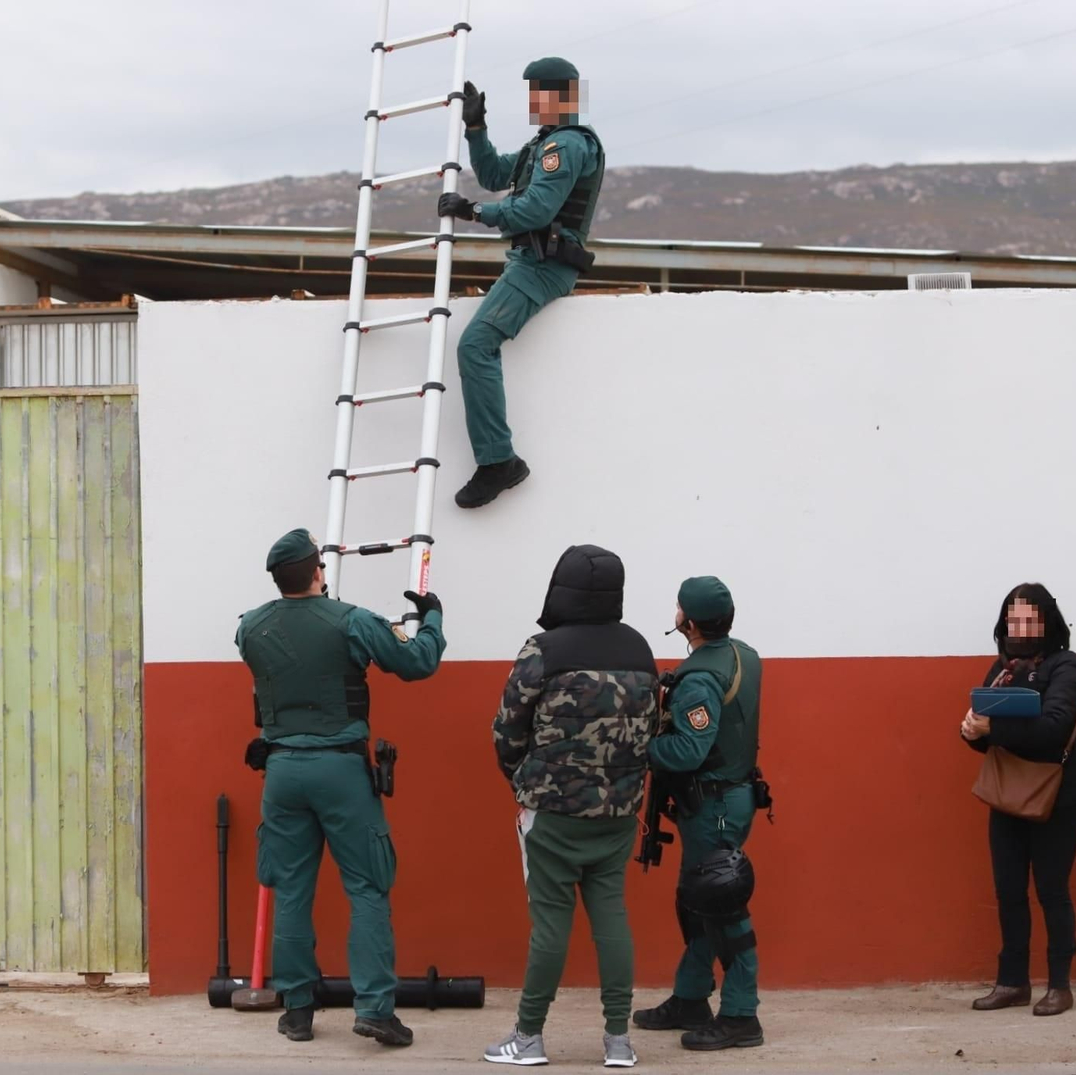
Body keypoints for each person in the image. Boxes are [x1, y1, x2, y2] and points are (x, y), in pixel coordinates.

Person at [236, 528, 446, 1048]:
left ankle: (298, 1010)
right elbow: (418, 662)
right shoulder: (353, 620)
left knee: (291, 890)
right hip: (340, 771)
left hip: (282, 774)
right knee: (368, 888)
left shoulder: (248, 628)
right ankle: (374, 1008)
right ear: (316, 572)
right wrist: (433, 617)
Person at [484, 544, 657, 1068]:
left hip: (553, 814)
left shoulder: (544, 649)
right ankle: (619, 1041)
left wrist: (525, 781)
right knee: (612, 918)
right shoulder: (642, 651)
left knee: (551, 924)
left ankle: (529, 1037)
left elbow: (507, 729)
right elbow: (651, 728)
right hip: (620, 814)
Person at [437, 56, 606, 509]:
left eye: (538, 93)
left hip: (542, 266)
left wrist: (474, 211)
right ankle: (498, 459)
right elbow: (495, 175)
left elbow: (534, 211)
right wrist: (477, 129)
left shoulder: (565, 146)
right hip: (528, 262)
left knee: (474, 345)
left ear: (562, 96)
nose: (532, 102)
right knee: (475, 344)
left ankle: (498, 462)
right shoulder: (544, 144)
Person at [633, 577, 765, 1050]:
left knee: (723, 904)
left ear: (687, 622)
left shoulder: (698, 679)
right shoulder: (744, 655)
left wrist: (641, 746)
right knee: (699, 903)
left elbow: (689, 749)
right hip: (730, 797)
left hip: (713, 805)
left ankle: (740, 1014)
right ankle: (691, 996)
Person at [962, 583, 1076, 1017]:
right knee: (1008, 890)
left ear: (1048, 620)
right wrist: (972, 730)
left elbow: (1053, 731)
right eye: (1014, 619)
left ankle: (1058, 986)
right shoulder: (1003, 666)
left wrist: (994, 731)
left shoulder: (1067, 668)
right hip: (1007, 792)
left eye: (1029, 618)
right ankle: (1012, 983)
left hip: (1057, 795)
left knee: (1052, 890)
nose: (1021, 627)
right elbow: (984, 732)